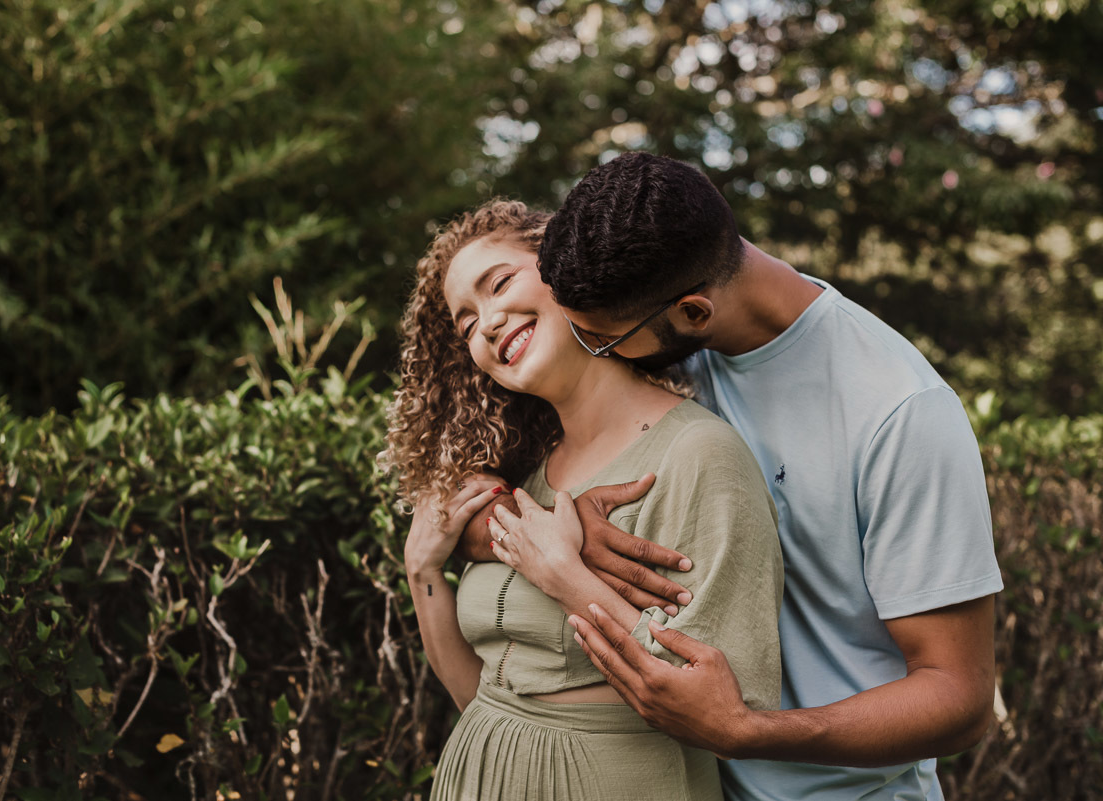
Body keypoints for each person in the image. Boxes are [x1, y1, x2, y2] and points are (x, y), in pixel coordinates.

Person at [485, 152, 1002, 800]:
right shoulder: (677, 352)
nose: (600, 355)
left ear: (694, 312)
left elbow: (960, 695)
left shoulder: (897, 410)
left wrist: (749, 730)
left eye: (599, 339)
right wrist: (572, 517)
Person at [382, 199, 783, 800]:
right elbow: (483, 696)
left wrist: (565, 575)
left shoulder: (698, 454)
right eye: (466, 324)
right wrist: (423, 572)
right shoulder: (527, 475)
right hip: (480, 775)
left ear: (563, 272)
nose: (487, 322)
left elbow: (727, 711)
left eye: (500, 284)